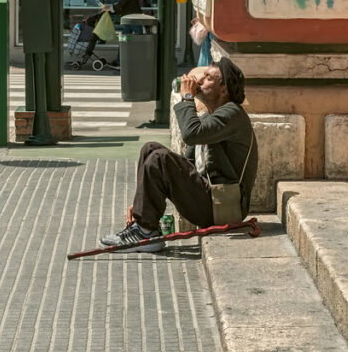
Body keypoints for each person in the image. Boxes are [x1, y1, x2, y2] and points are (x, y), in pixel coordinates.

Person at [99, 58, 258, 252]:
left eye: (208, 78)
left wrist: (188, 97)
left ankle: (146, 232)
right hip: (210, 198)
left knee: (160, 159)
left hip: (224, 207)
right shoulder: (212, 116)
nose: (199, 81)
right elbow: (188, 164)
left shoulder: (233, 114)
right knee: (151, 149)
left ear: (223, 89)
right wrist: (143, 201)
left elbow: (191, 134)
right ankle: (145, 225)